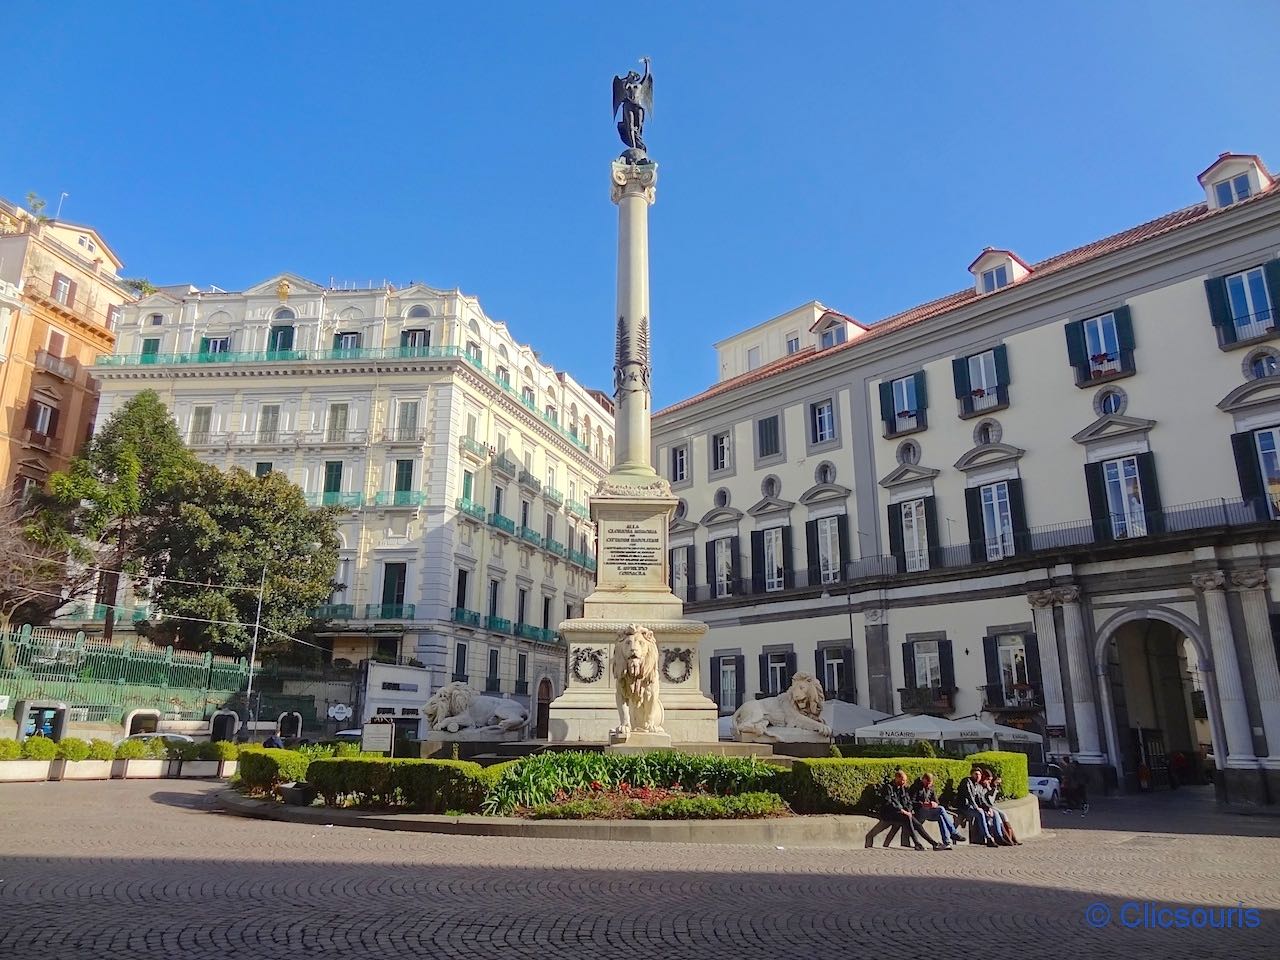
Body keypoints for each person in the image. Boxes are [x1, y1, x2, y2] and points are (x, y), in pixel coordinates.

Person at [881, 769, 944, 851]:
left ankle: (934, 844)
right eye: (903, 780)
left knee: (917, 824)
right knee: (907, 818)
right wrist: (902, 810)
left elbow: (908, 802)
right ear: (897, 778)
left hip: (903, 813)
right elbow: (888, 803)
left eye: (905, 780)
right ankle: (917, 843)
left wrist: (909, 811)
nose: (904, 782)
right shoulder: (888, 788)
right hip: (890, 813)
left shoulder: (902, 789)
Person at [911, 772, 964, 848]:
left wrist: (934, 804)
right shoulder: (916, 787)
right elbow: (912, 801)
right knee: (941, 809)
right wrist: (922, 804)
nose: (928, 785)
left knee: (941, 816)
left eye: (930, 783)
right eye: (927, 783)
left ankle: (947, 842)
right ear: (923, 779)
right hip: (920, 811)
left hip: (930, 811)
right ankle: (953, 833)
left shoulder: (931, 788)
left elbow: (937, 801)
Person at [958, 766, 1003, 847]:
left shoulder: (978, 786)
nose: (978, 776)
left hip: (973, 807)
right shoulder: (967, 782)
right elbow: (969, 796)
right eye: (976, 774)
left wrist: (988, 808)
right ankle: (988, 838)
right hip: (965, 807)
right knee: (980, 813)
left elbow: (981, 799)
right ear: (971, 775)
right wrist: (976, 807)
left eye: (979, 775)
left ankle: (998, 837)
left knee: (993, 813)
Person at [980, 768, 1021, 845]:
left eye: (990, 780)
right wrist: (991, 789)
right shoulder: (982, 787)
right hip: (986, 806)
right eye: (988, 779)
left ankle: (1011, 837)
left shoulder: (988, 786)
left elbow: (991, 800)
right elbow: (989, 800)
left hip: (989, 806)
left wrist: (993, 788)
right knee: (997, 814)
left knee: (1003, 814)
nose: (989, 781)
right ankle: (1004, 837)